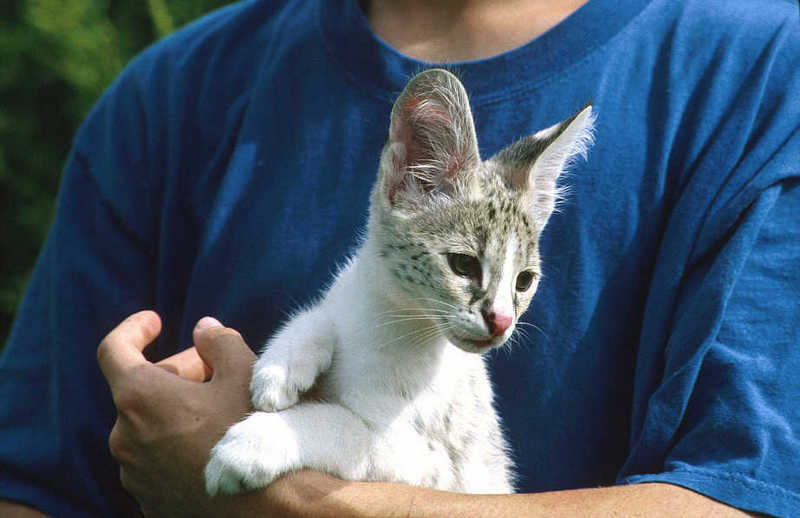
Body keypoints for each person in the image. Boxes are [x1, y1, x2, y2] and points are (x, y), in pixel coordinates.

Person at [1, 0, 798, 516]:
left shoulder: (762, 75)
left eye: (521, 280)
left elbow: (744, 498)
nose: (502, 313)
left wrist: (282, 503)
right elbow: (35, 489)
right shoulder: (170, 96)